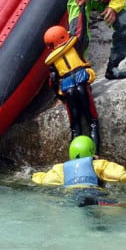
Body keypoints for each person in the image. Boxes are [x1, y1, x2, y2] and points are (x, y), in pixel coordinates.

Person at [32, 136, 126, 207]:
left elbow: (43, 180)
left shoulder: (61, 168)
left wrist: (32, 175)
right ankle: (101, 204)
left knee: (84, 207)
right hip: (93, 191)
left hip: (71, 194)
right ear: (92, 151)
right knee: (124, 207)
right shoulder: (99, 164)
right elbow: (120, 176)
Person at [44, 24, 100, 154]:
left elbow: (53, 80)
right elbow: (83, 30)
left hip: (68, 89)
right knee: (92, 122)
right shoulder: (76, 46)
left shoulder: (53, 62)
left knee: (76, 127)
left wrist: (61, 97)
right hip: (82, 84)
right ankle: (96, 155)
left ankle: (75, 159)